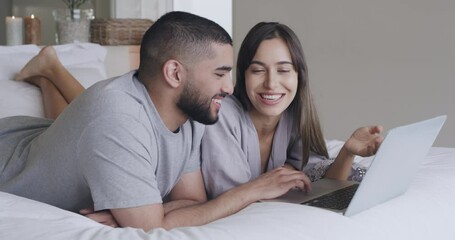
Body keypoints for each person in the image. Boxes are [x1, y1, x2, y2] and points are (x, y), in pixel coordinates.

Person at [0, 12, 312, 231]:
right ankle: (48, 71)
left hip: (45, 139)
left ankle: (45, 75)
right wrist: (252, 190)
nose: (230, 88)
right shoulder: (118, 119)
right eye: (219, 74)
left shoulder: (191, 114)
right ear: (175, 73)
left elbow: (191, 201)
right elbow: (153, 227)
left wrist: (140, 211)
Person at [201, 22, 384, 199]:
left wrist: (348, 152)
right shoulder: (221, 114)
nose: (271, 84)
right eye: (258, 70)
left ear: (299, 76)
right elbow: (230, 200)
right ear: (243, 75)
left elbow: (324, 181)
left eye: (283, 70)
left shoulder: (292, 114)